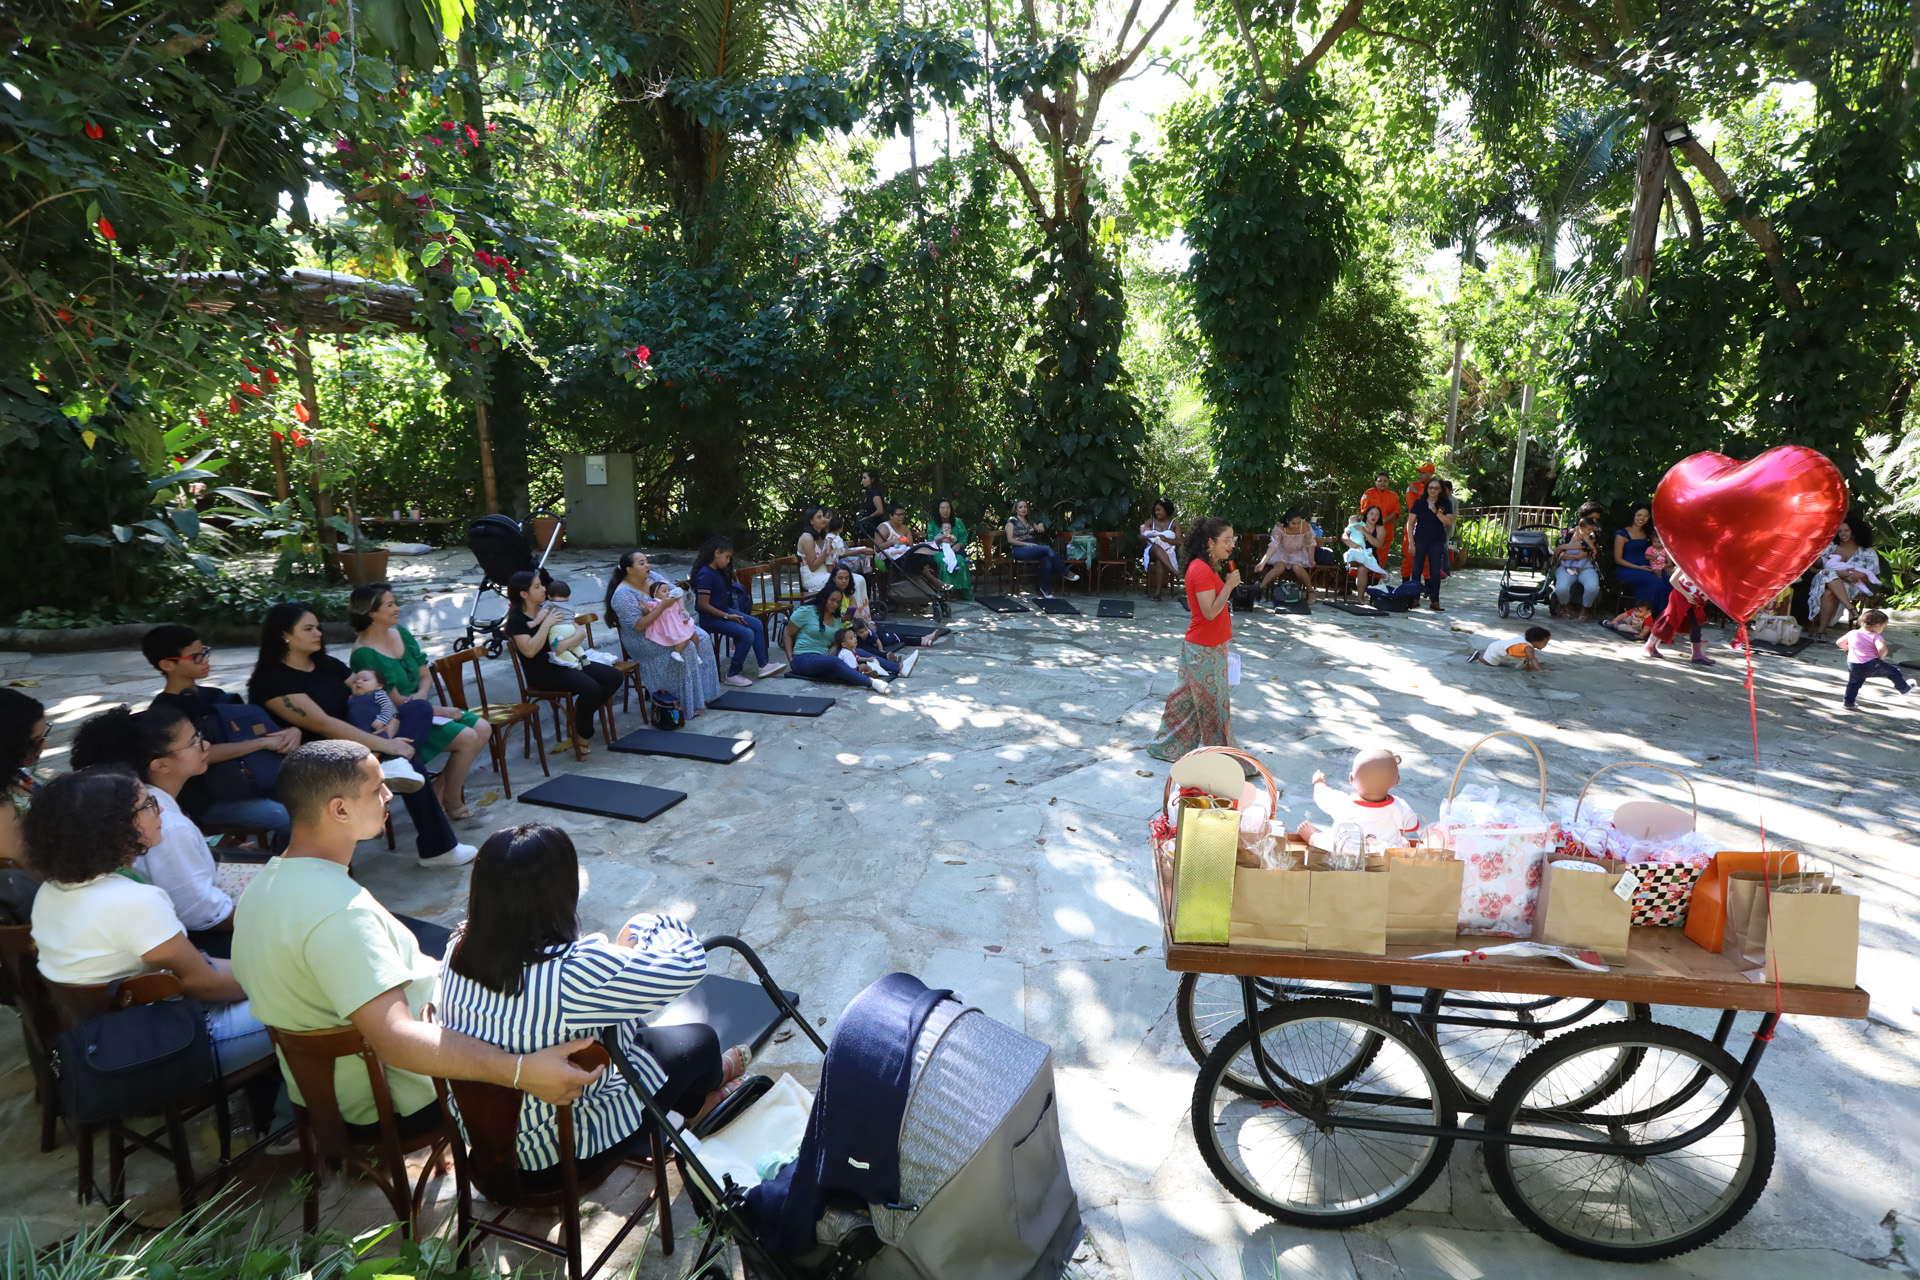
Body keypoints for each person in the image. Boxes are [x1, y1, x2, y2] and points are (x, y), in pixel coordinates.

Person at [232, 742, 601, 1137]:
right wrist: (518, 1071)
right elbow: (396, 1040)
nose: (389, 795)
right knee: (580, 1027)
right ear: (339, 809)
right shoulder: (340, 913)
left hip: (319, 1095)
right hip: (392, 1102)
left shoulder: (263, 886)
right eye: (376, 789)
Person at [437, 824, 764, 1174]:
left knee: (645, 1039)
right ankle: (706, 1097)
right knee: (700, 1042)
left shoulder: (458, 948)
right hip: (561, 1155)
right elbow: (689, 963)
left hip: (490, 1148)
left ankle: (701, 1097)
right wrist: (646, 924)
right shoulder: (569, 972)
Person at [26, 766, 276, 1080]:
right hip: (168, 1049)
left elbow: (199, 970)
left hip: (104, 1041)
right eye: (146, 805)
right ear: (112, 828)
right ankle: (301, 1110)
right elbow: (204, 982)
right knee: (314, 998)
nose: (158, 811)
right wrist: (282, 976)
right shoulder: (134, 901)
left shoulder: (51, 891)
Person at [248, 602, 477, 868]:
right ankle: (437, 847)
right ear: (284, 635)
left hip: (365, 738)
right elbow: (324, 725)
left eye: (318, 627)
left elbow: (371, 695)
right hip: (323, 759)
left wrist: (389, 725)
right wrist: (385, 745)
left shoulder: (327, 665)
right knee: (409, 764)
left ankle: (392, 765)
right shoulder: (274, 681)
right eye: (308, 629)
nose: (318, 633)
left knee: (418, 708)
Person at [67, 704, 262, 955]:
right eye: (194, 742)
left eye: (199, 736)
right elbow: (200, 914)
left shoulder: (149, 801)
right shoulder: (165, 822)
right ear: (160, 765)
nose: (206, 745)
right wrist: (264, 916)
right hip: (195, 941)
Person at [142, 625, 297, 844]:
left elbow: (255, 729)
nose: (205, 660)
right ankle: (288, 872)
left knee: (313, 801)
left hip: (252, 781)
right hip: (210, 801)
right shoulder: (164, 714)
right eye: (195, 657)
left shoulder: (215, 695)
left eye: (204, 652)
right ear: (168, 664)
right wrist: (260, 743)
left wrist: (292, 731)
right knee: (287, 818)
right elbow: (201, 753)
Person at [346, 585, 487, 818]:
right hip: (401, 720)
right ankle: (452, 799)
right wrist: (430, 709)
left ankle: (441, 788)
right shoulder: (364, 653)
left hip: (422, 708)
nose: (397, 608)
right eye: (390, 605)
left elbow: (425, 676)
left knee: (482, 727)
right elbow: (396, 703)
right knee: (468, 737)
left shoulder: (401, 633)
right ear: (371, 613)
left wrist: (423, 701)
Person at [503, 570, 626, 760]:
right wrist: (545, 625)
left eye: (542, 584)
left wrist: (564, 645)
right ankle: (582, 732)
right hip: (544, 671)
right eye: (537, 586)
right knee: (591, 688)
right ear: (523, 594)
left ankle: (577, 717)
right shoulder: (517, 621)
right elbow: (529, 651)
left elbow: (579, 632)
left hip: (568, 659)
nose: (544, 589)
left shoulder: (549, 606)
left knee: (614, 676)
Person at [1147, 519, 1239, 762]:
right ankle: (1224, 759)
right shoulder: (1199, 569)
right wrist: (1229, 586)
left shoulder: (1208, 567)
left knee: (1184, 702)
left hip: (1209, 644)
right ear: (1210, 542)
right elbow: (1209, 612)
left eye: (1233, 539)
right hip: (1204, 647)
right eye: (1226, 540)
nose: (1232, 544)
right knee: (1215, 708)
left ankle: (1165, 748)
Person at [606, 550, 720, 720]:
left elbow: (677, 593)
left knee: (702, 637)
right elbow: (638, 626)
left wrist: (681, 610)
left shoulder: (652, 576)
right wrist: (662, 606)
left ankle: (701, 696)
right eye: (642, 563)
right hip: (644, 639)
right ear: (629, 569)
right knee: (685, 647)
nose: (647, 566)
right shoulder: (623, 595)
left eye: (646, 561)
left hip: (669, 625)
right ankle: (679, 704)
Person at [692, 537, 786, 686]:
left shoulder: (718, 571)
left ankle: (764, 665)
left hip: (724, 612)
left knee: (756, 624)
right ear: (717, 553)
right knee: (746, 633)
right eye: (727, 557)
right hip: (710, 618)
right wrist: (727, 616)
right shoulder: (705, 574)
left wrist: (729, 614)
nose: (728, 561)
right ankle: (733, 674)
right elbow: (703, 605)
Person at [1297, 748, 1422, 850]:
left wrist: (1319, 782)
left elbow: (1322, 795)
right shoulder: (1399, 805)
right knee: (1402, 843)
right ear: (1397, 781)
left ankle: (1312, 837)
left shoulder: (1342, 803)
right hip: (1384, 856)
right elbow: (1412, 825)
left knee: (1330, 842)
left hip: (1346, 855)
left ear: (1351, 779)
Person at [783, 585, 901, 691]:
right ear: (824, 597)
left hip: (824, 656)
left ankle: (899, 668)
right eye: (832, 600)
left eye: (838, 602)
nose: (834, 604)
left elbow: (833, 639)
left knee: (857, 651)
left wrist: (835, 646)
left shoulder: (836, 618)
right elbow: (788, 633)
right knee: (835, 662)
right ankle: (871, 682)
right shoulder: (806, 612)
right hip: (803, 658)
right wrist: (791, 659)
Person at [1809, 517, 1881, 638]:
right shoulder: (1830, 547)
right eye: (1840, 531)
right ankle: (1850, 607)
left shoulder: (1867, 552)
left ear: (1855, 531)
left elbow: (1871, 576)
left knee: (1828, 593)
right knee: (1829, 572)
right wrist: (1838, 574)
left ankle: (1822, 631)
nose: (1842, 534)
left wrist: (1859, 575)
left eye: (1846, 530)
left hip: (1851, 585)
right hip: (1822, 580)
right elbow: (1812, 567)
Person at [0, 689, 46, 865]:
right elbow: (26, 863)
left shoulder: (12, 773)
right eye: (37, 739)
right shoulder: (3, 811)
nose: (45, 744)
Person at [1836, 610, 1913, 710]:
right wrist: (1881, 659)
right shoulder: (1875, 636)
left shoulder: (1852, 633)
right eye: (1883, 627)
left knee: (1854, 684)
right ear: (1877, 625)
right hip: (1871, 664)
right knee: (1893, 671)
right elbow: (1882, 649)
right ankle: (1904, 688)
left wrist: (1847, 649)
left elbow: (1839, 642)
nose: (1883, 629)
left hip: (1853, 664)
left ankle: (1848, 703)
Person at [541, 580, 623, 669]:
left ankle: (574, 661)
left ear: (548, 596)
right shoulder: (568, 605)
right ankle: (581, 655)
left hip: (559, 632)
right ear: (569, 597)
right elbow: (581, 634)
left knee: (557, 647)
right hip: (571, 628)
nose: (542, 589)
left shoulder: (548, 605)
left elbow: (557, 648)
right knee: (574, 646)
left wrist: (535, 622)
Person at [1643, 564, 1715, 666]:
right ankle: (1650, 645)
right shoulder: (1686, 562)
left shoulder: (1710, 567)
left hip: (1696, 597)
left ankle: (1697, 654)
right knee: (1669, 619)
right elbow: (1673, 580)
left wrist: (1705, 597)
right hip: (1680, 595)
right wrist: (1687, 595)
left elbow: (1711, 585)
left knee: (1697, 622)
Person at [875, 503, 949, 600]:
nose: (901, 517)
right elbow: (877, 548)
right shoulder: (884, 528)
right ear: (890, 515)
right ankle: (936, 583)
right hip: (885, 558)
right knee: (917, 565)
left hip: (903, 557)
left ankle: (929, 591)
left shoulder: (905, 528)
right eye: (898, 515)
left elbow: (910, 546)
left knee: (918, 561)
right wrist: (891, 542)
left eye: (903, 514)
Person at [1005, 500, 1077, 598]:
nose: (1023, 509)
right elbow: (1010, 540)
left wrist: (1041, 525)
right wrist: (1025, 543)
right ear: (1016, 509)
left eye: (1025, 507)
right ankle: (1065, 572)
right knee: (1047, 549)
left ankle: (1045, 588)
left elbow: (1040, 529)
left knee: (1046, 559)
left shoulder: (1029, 520)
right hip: (1019, 549)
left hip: (1032, 547)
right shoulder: (1012, 521)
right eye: (1020, 507)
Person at [798, 507, 867, 610]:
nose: (823, 520)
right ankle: (849, 617)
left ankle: (863, 619)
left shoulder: (823, 536)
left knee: (860, 579)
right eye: (819, 517)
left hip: (826, 573)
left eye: (823, 517)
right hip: (812, 576)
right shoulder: (807, 537)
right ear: (811, 521)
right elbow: (813, 567)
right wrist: (827, 552)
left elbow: (839, 553)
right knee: (853, 582)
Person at [1612, 506, 1670, 615]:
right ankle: (1647, 613)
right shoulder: (1622, 534)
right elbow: (1618, 559)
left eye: (1645, 516)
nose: (1642, 518)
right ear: (1633, 515)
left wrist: (1666, 564)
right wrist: (1639, 567)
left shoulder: (1647, 533)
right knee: (1656, 582)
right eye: (1639, 515)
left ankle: (1668, 615)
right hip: (1628, 569)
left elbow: (1657, 549)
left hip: (1647, 567)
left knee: (1668, 579)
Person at [1407, 477, 1454, 611]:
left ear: (1441, 490)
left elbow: (1448, 522)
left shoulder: (1445, 503)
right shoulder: (1419, 503)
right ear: (1427, 489)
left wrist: (1434, 510)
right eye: (1430, 487)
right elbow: (1410, 523)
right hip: (1420, 539)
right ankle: (1414, 598)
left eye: (1436, 488)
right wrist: (1411, 542)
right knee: (1416, 569)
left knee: (1435, 570)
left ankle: (1435, 601)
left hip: (1437, 540)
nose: (1432, 490)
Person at [1255, 509, 1317, 607]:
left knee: (1297, 567)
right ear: (1287, 521)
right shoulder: (1280, 527)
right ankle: (1260, 589)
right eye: (1293, 523)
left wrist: (1311, 559)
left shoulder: (1305, 526)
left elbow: (1310, 543)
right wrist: (1262, 563)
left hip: (1298, 552)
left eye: (1298, 523)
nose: (1296, 526)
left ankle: (1311, 591)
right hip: (1282, 551)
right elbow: (1273, 546)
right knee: (1279, 567)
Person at [1554, 503, 1604, 621]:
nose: (1594, 521)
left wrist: (1563, 549)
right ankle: (1566, 606)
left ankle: (1585, 608)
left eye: (1597, 519)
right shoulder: (1567, 531)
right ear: (1582, 516)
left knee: (1593, 587)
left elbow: (1587, 549)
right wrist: (1565, 553)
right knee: (1561, 588)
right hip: (1565, 566)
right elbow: (1557, 551)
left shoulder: (1594, 532)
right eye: (1592, 518)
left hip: (1586, 567)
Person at [928, 499, 973, 600]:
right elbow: (931, 541)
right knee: (946, 562)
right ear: (938, 510)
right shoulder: (933, 523)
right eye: (942, 508)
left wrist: (959, 545)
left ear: (951, 510)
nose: (945, 510)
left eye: (947, 508)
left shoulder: (958, 522)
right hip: (938, 551)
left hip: (955, 549)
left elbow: (964, 539)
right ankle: (945, 590)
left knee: (960, 560)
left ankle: (960, 590)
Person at [1139, 498, 1181, 604]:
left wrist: (1165, 539)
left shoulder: (1175, 523)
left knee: (1159, 561)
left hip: (1168, 552)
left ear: (1166, 510)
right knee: (1156, 547)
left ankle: (1158, 593)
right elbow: (1140, 535)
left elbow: (1179, 541)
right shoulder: (1150, 521)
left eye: (1159, 510)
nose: (1156, 512)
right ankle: (1175, 572)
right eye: (1155, 510)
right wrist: (1147, 537)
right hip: (1151, 551)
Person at [1400, 463, 1436, 578]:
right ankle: (1405, 587)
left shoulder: (1437, 487)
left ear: (1431, 474)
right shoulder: (1412, 486)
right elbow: (1414, 508)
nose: (1420, 475)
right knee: (1409, 557)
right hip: (1413, 525)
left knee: (1428, 560)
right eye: (1420, 472)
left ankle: (1428, 589)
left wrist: (1419, 494)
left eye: (1424, 472)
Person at [1470, 626, 1552, 670]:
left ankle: (1484, 654)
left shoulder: (1526, 641)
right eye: (1545, 643)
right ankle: (1478, 656)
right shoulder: (1528, 648)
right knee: (1491, 663)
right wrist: (1539, 670)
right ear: (1536, 642)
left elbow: (1527, 658)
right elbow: (1532, 658)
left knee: (1527, 656)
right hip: (1497, 650)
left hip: (1499, 646)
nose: (1546, 645)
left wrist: (1528, 666)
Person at [1342, 506, 1390, 581]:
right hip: (1355, 554)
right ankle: (1380, 571)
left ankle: (1360, 593)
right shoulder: (1358, 524)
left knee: (1362, 570)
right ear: (1366, 514)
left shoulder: (1380, 528)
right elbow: (1344, 537)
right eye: (1371, 514)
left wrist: (1365, 532)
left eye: (1377, 515)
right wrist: (1356, 546)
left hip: (1371, 556)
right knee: (1357, 557)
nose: (1374, 516)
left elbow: (1379, 545)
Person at [1359, 473, 1401, 551]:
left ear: (1388, 482)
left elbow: (1396, 513)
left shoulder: (1393, 496)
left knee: (1382, 560)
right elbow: (1364, 511)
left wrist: (1382, 521)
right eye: (1380, 481)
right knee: (1367, 557)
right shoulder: (1368, 493)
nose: (1382, 483)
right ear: (1375, 482)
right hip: (1369, 531)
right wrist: (1375, 522)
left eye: (1385, 481)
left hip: (1386, 530)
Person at [856, 470, 889, 538]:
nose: (862, 481)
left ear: (872, 479)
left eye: (865, 478)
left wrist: (868, 517)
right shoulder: (869, 493)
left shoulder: (875, 494)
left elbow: (880, 510)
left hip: (875, 525)